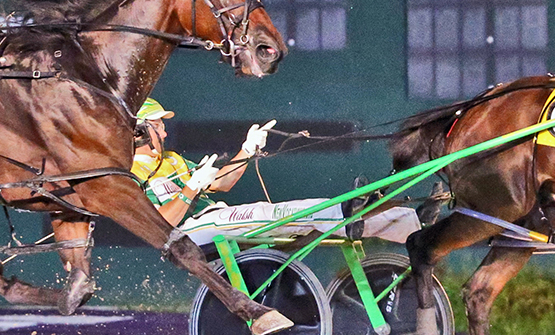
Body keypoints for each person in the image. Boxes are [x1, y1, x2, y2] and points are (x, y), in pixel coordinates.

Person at [131, 98, 427, 247]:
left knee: (299, 220)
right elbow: (161, 225)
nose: (165, 131)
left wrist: (246, 150)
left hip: (215, 219)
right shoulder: (131, 173)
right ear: (140, 131)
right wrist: (191, 188)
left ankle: (413, 226)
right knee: (275, 211)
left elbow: (222, 183)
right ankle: (343, 215)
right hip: (190, 234)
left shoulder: (173, 159)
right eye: (158, 125)